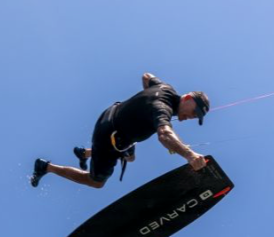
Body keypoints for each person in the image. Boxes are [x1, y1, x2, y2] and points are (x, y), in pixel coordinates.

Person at [30, 73, 210, 189]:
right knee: (96, 182)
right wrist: (189, 155)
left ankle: (85, 153)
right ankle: (47, 167)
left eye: (197, 117)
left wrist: (142, 104)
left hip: (113, 115)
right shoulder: (162, 108)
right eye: (195, 112)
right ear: (187, 97)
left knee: (130, 156)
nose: (191, 117)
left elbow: (147, 76)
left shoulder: (165, 89)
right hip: (109, 135)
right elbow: (164, 135)